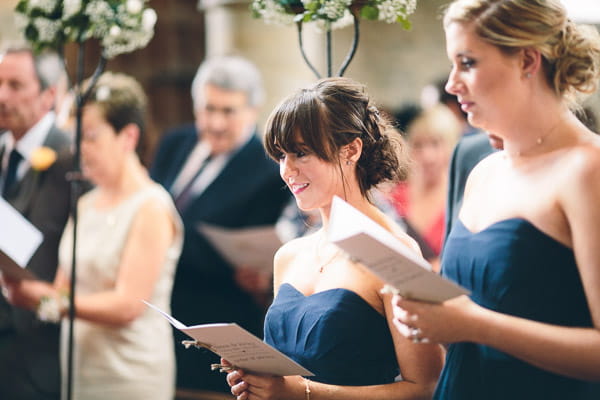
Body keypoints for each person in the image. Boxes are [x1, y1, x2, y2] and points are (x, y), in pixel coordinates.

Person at [392, 1, 600, 399]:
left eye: (467, 62)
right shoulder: (482, 171)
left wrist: (475, 325)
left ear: (527, 61)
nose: (451, 84)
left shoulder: (587, 171)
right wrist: (427, 316)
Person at [226, 77, 444, 400]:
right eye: (281, 155)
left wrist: (303, 393)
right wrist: (257, 381)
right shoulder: (288, 256)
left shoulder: (394, 252)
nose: (287, 170)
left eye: (300, 153)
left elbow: (425, 387)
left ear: (351, 150)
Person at [3, 72, 183, 400]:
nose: (79, 149)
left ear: (128, 136)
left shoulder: (151, 206)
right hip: (78, 365)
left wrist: (44, 299)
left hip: (129, 371)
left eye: (90, 137)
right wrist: (22, 283)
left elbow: (128, 305)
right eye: (75, 138)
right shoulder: (85, 203)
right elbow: (63, 289)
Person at [150, 55, 291, 395]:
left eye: (228, 111)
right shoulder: (175, 143)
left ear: (254, 110)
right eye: (207, 109)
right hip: (156, 316)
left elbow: (256, 254)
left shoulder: (268, 172)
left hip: (212, 320)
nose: (215, 122)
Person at [0, 42, 72, 400]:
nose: (1, 96)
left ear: (49, 94)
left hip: (35, 350)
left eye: (15, 86)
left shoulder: (71, 158)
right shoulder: (2, 148)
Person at [389, 104, 461, 270]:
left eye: (436, 144)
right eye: (418, 145)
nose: (427, 156)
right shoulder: (393, 197)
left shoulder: (461, 198)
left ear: (451, 146)